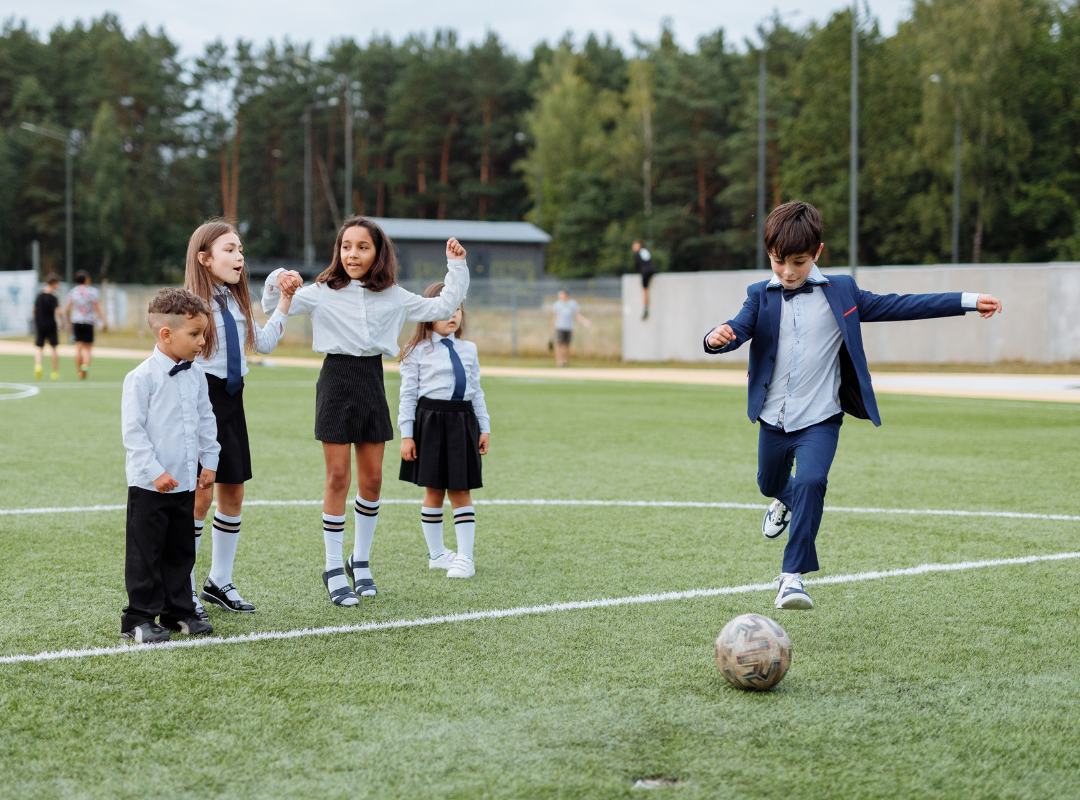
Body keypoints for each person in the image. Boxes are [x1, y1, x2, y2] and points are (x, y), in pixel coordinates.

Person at [704, 201, 1002, 611]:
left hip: (821, 419)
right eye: (778, 262)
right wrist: (717, 338)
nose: (788, 272)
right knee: (770, 484)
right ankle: (783, 500)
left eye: (798, 262)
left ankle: (791, 578)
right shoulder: (760, 295)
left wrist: (967, 300)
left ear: (818, 254)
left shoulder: (842, 291)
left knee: (811, 483)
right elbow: (735, 329)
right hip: (773, 419)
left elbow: (903, 305)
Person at [261, 215, 469, 606]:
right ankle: (332, 566)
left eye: (362, 247)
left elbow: (443, 304)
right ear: (337, 251)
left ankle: (360, 560)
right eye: (346, 246)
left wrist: (456, 267)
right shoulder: (321, 291)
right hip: (336, 380)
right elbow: (274, 301)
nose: (352, 254)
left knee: (372, 480)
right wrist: (281, 278)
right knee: (338, 476)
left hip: (372, 381)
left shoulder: (393, 295)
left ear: (378, 253)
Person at [183, 219, 301, 620]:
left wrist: (283, 301)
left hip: (233, 401)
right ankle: (182, 586)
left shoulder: (235, 301)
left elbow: (263, 343)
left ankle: (219, 581)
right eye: (229, 250)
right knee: (201, 494)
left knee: (233, 492)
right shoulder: (189, 306)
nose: (239, 257)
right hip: (202, 403)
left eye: (240, 250)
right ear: (204, 259)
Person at [120, 288, 219, 643]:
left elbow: (206, 421)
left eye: (203, 334)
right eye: (194, 334)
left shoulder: (196, 375)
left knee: (181, 551)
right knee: (147, 554)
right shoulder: (141, 378)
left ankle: (179, 611)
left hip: (186, 484)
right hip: (150, 486)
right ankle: (139, 618)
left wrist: (210, 462)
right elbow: (133, 434)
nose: (201, 341)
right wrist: (155, 472)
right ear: (166, 334)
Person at [398, 282, 491, 580]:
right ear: (428, 313)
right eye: (445, 309)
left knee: (460, 490)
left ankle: (465, 558)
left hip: (462, 422)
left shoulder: (469, 349)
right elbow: (407, 396)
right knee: (434, 491)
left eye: (458, 309)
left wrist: (484, 426)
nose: (453, 315)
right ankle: (437, 555)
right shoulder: (415, 351)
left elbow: (476, 391)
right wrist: (407, 434)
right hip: (429, 423)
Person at [64, 270, 107, 379]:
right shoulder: (93, 292)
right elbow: (96, 308)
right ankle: (85, 365)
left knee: (78, 348)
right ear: (86, 279)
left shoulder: (73, 292)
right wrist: (103, 321)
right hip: (88, 322)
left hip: (76, 321)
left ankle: (79, 372)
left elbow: (67, 309)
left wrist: (69, 322)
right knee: (88, 348)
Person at [550, 289, 591, 367]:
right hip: (560, 326)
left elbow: (577, 314)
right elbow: (555, 317)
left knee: (566, 344)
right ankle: (559, 361)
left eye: (561, 294)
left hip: (568, 327)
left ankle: (565, 361)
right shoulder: (557, 304)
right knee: (559, 344)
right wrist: (552, 327)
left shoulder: (572, 304)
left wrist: (585, 321)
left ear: (565, 295)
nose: (559, 296)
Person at [33, 274, 62, 380]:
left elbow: (33, 309)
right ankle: (54, 371)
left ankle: (38, 366)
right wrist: (62, 321)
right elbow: (58, 311)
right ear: (54, 284)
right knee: (54, 348)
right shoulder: (53, 297)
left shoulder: (39, 296)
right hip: (50, 324)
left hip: (40, 323)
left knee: (39, 347)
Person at [633, 240, 655, 320]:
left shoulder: (637, 254)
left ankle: (645, 307)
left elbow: (637, 265)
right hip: (652, 271)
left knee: (645, 290)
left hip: (645, 273)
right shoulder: (645, 251)